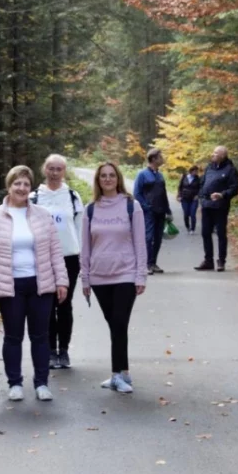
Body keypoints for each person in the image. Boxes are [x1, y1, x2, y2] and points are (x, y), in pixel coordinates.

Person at [0, 166, 69, 402]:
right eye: (17, 183)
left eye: (26, 184)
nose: (21, 188)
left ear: (30, 188)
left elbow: (55, 250)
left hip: (40, 285)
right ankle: (15, 383)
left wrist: (62, 280)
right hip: (9, 286)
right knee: (13, 336)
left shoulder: (41, 215)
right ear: (9, 186)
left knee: (41, 336)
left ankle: (41, 383)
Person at [81, 162, 148, 394]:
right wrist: (85, 279)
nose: (107, 179)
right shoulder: (90, 209)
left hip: (125, 274)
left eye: (111, 175)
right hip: (100, 276)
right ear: (98, 181)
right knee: (115, 325)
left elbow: (140, 242)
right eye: (103, 176)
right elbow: (86, 248)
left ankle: (115, 374)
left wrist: (141, 276)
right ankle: (124, 372)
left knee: (119, 322)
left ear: (118, 178)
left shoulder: (132, 206)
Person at [29, 154, 83, 370]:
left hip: (69, 257)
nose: (54, 172)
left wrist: (83, 256)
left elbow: (80, 227)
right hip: (42, 258)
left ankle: (64, 351)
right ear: (45, 170)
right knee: (47, 306)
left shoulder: (72, 196)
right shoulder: (34, 197)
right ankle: (51, 350)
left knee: (65, 304)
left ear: (64, 171)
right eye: (51, 168)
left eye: (59, 168)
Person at [195, 146, 238, 272]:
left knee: (221, 234)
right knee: (205, 233)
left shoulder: (230, 170)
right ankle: (208, 260)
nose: (212, 154)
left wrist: (222, 194)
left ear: (223, 156)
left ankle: (221, 261)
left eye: (216, 153)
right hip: (207, 206)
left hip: (220, 207)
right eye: (213, 152)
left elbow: (234, 188)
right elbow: (202, 183)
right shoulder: (209, 167)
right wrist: (201, 198)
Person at [133, 148, 173, 274]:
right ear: (154, 159)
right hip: (148, 212)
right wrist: (146, 206)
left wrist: (168, 210)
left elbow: (163, 193)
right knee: (148, 238)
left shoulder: (160, 175)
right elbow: (137, 193)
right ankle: (146, 264)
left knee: (158, 238)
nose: (163, 159)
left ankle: (153, 263)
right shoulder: (142, 174)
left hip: (160, 211)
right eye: (160, 157)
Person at [177, 165, 201, 235]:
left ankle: (192, 229)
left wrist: (198, 195)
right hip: (184, 198)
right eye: (195, 171)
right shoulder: (184, 177)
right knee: (186, 214)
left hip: (194, 199)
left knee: (193, 214)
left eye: (197, 171)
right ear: (191, 171)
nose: (196, 173)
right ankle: (187, 226)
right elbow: (180, 187)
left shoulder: (198, 179)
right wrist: (179, 196)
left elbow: (200, 188)